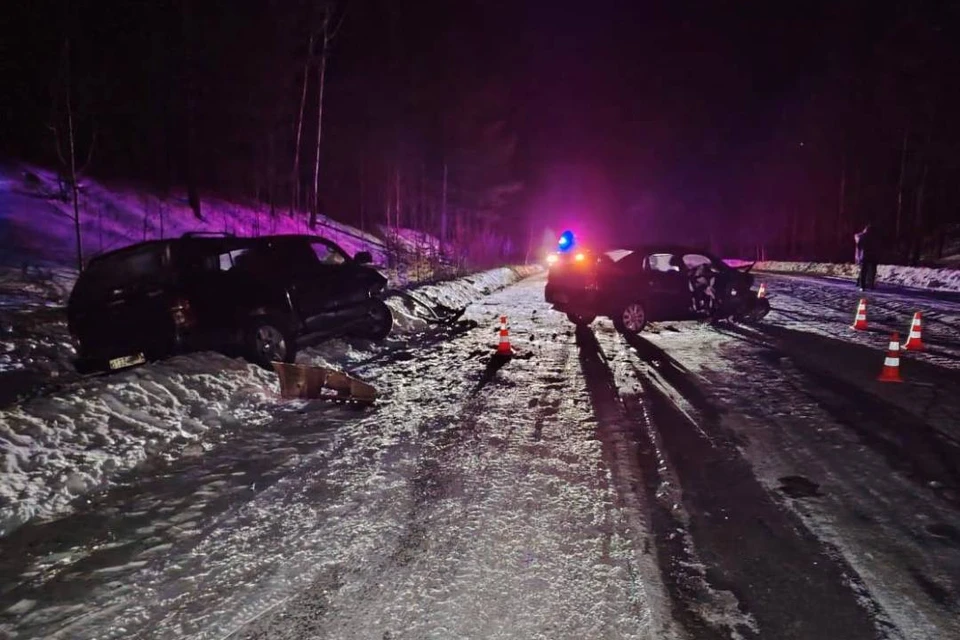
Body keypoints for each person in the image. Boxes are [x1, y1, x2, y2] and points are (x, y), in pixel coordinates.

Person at [854, 224, 877, 291]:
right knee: (872, 271)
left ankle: (862, 286)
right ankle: (871, 284)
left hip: (865, 255)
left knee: (863, 271)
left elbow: (859, 246)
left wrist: (858, 255)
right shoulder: (875, 237)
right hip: (873, 256)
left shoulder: (863, 236)